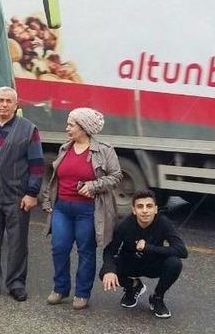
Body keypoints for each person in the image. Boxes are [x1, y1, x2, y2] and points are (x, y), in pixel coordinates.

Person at [41, 107, 123, 310]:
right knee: (59, 248)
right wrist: (47, 201)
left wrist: (93, 186)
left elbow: (116, 176)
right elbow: (54, 180)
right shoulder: (64, 148)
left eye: (71, 125)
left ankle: (82, 293)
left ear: (84, 128)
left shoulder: (104, 149)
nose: (67, 128)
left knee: (86, 251)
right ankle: (60, 288)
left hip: (88, 209)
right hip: (62, 208)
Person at [0, 86, 44, 302]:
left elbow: (37, 164)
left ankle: (16, 284)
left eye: (8, 101)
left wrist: (32, 193)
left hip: (17, 196)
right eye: (0, 100)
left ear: (16, 104)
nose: (4, 104)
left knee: (17, 243)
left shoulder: (29, 129)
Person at [101, 190, 188, 319]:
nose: (145, 210)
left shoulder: (163, 223)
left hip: (153, 264)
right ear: (134, 210)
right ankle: (134, 286)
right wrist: (109, 270)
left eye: (149, 206)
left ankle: (157, 297)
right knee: (105, 272)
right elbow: (110, 250)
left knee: (175, 263)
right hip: (131, 263)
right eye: (140, 206)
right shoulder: (124, 225)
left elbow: (182, 251)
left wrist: (148, 248)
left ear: (156, 209)